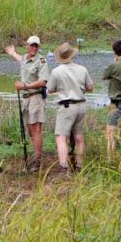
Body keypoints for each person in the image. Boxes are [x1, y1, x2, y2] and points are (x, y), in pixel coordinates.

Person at [46, 42, 94, 175]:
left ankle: (63, 167)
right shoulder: (82, 69)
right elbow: (90, 87)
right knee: (79, 137)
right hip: (81, 105)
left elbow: (49, 90)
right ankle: (79, 166)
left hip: (66, 106)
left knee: (61, 138)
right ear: (72, 55)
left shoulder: (56, 71)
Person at [5, 36, 51, 171]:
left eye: (36, 46)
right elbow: (21, 60)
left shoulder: (42, 61)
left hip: (36, 97)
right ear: (27, 46)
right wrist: (13, 53)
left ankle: (37, 161)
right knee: (30, 130)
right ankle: (37, 155)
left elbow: (43, 82)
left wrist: (24, 86)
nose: (34, 48)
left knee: (36, 129)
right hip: (26, 99)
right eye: (32, 45)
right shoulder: (25, 57)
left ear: (39, 47)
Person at [101, 40, 121, 166]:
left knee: (110, 131)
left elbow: (103, 76)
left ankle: (111, 160)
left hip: (117, 104)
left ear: (115, 52)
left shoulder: (114, 66)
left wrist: (114, 63)